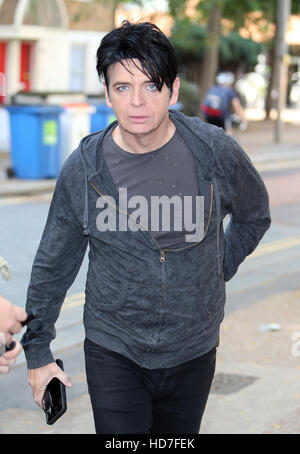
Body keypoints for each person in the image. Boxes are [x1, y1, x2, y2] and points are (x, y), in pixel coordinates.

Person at [21, 21, 271, 434]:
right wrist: (37, 352)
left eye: (150, 86)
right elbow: (53, 263)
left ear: (172, 91)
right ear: (107, 93)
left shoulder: (214, 153)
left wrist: (217, 268)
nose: (137, 102)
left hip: (194, 347)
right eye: (122, 87)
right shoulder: (85, 170)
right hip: (113, 348)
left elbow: (254, 215)